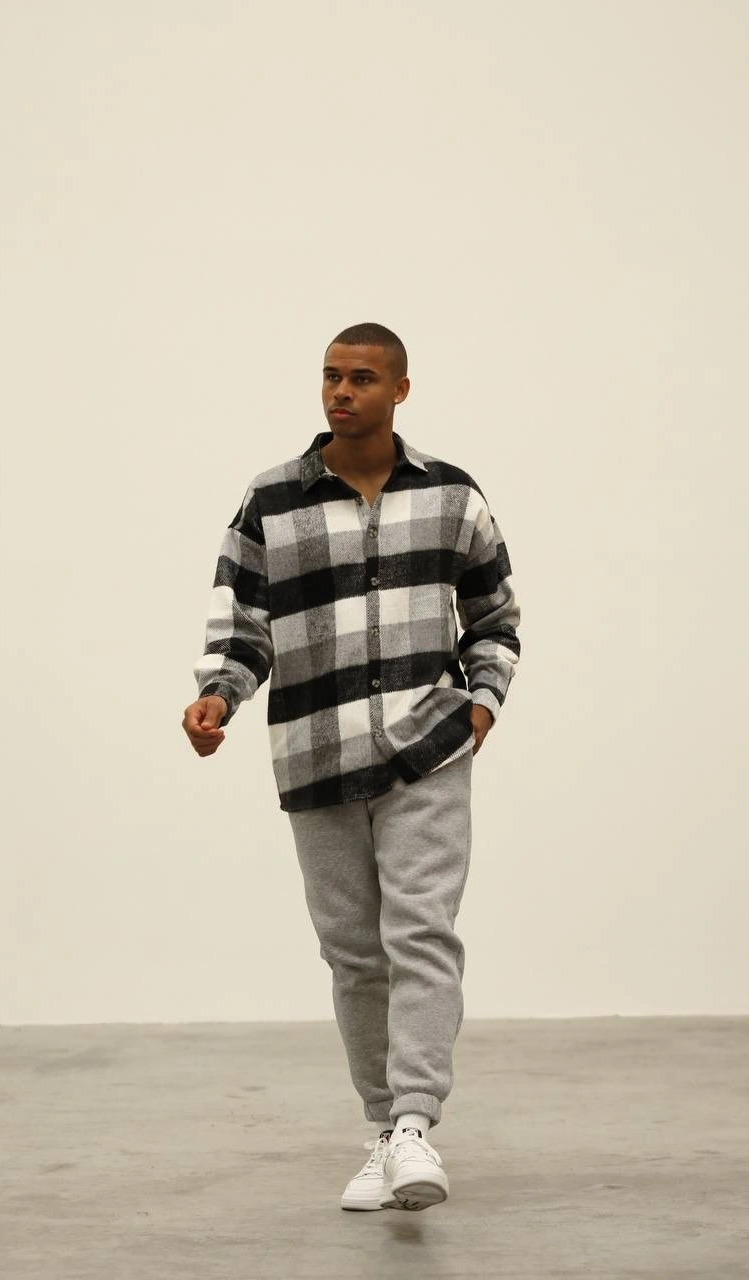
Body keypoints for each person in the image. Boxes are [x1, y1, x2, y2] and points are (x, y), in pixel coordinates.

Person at [182, 321, 521, 1212]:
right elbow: (241, 625)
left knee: (421, 933)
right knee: (352, 955)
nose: (342, 391)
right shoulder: (270, 500)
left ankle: (413, 1124)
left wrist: (479, 707)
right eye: (331, 376)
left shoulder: (451, 495)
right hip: (316, 754)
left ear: (399, 390)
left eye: (362, 378)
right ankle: (384, 1128)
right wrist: (219, 695)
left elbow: (494, 617)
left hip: (427, 752)